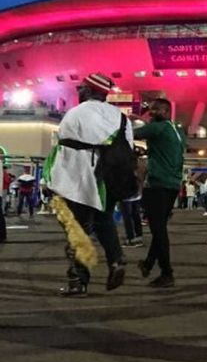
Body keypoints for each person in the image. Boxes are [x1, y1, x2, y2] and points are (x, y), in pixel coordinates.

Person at [44, 73, 130, 297]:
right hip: (110, 179)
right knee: (104, 220)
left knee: (77, 230)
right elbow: (128, 148)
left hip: (79, 182)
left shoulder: (75, 114)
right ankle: (115, 259)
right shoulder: (121, 117)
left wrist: (52, 181)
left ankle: (77, 281)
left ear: (90, 91)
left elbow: (63, 151)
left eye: (81, 87)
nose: (78, 91)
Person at [133, 98, 186, 288]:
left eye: (155, 110)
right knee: (160, 227)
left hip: (158, 184)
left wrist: (141, 119)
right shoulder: (177, 130)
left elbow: (131, 133)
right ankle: (148, 263)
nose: (151, 112)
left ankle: (167, 272)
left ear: (164, 111)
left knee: (158, 230)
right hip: (172, 184)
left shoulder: (158, 127)